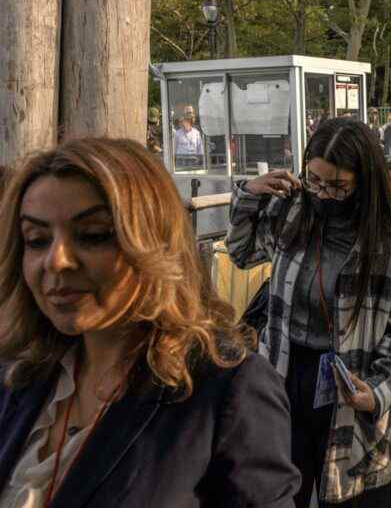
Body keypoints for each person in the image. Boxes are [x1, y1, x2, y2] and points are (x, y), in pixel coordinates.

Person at [0, 138, 300, 507]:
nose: (56, 261)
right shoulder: (20, 373)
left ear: (154, 242)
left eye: (93, 235)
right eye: (37, 239)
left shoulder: (226, 388)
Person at [225, 118, 391, 507]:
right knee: (279, 486)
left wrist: (379, 391)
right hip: (284, 372)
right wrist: (248, 194)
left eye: (338, 187)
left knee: (348, 489)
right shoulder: (291, 214)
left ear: (363, 184)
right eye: (315, 182)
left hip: (352, 381)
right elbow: (241, 252)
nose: (324, 195)